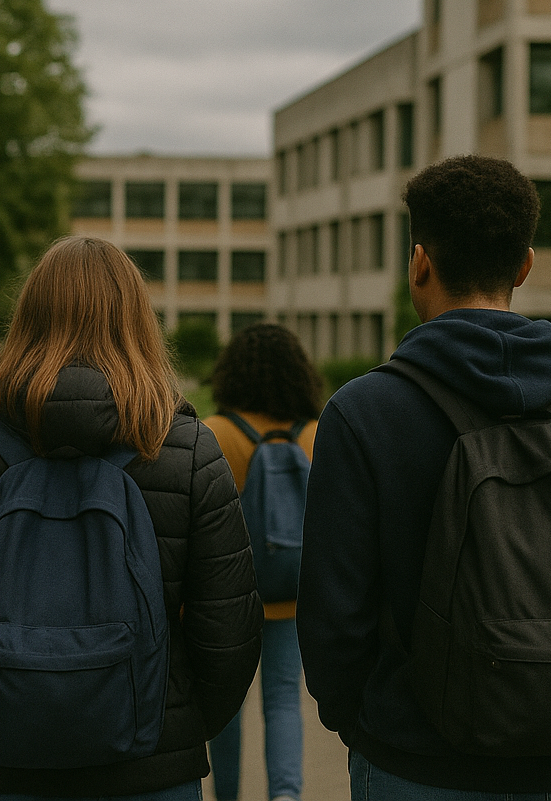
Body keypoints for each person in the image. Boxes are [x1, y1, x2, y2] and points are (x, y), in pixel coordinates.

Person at [297, 156, 551, 801]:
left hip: (413, 762)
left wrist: (377, 727)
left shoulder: (364, 414)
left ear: (418, 262)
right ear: (525, 264)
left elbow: (333, 618)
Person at [0, 235, 264, 799]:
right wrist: (177, 728)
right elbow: (228, 633)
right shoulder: (188, 452)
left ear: (27, 320)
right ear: (139, 322)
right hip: (149, 771)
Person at [203, 323, 321, 801]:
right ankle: (287, 796)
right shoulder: (314, 434)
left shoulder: (217, 434)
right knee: (283, 700)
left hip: (229, 599)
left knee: (226, 707)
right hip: (292, 593)